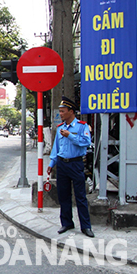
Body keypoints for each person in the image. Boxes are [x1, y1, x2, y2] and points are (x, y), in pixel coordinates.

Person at [48, 96, 94, 238]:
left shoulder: (82, 126)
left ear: (71, 112)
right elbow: (56, 148)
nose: (60, 114)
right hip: (62, 164)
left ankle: (86, 226)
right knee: (63, 195)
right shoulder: (60, 128)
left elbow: (86, 142)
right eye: (60, 111)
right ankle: (67, 223)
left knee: (80, 196)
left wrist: (70, 136)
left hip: (76, 163)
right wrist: (51, 164)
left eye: (63, 111)